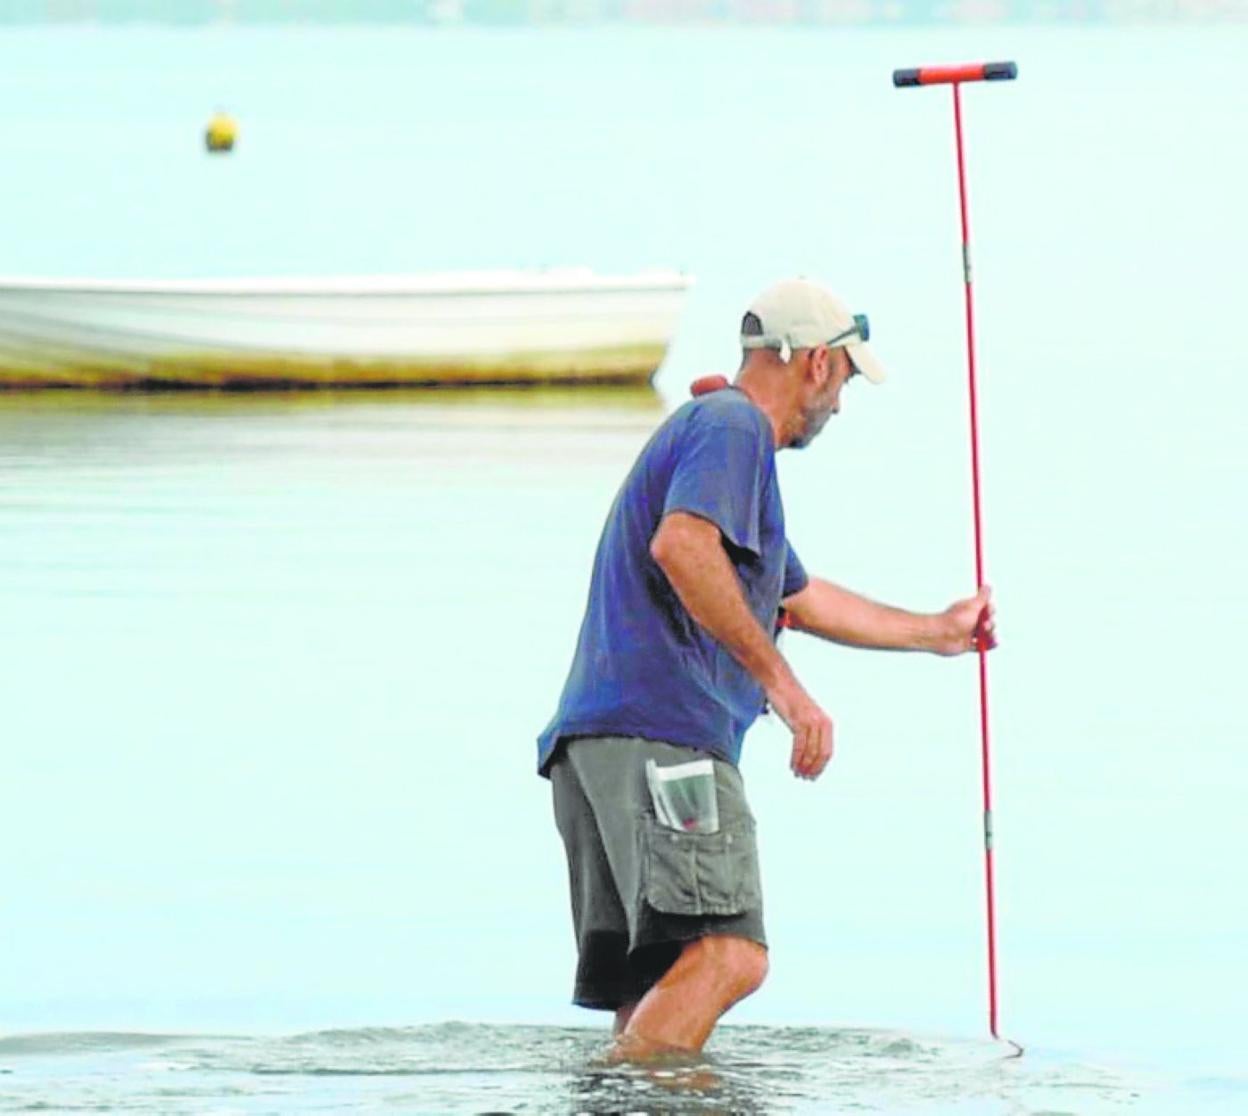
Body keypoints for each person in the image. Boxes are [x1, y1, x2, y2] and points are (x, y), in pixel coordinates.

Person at [535, 277, 996, 1061]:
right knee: (729, 954)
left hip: (601, 751)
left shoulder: (722, 444)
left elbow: (797, 596)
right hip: (664, 742)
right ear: (816, 363)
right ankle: (619, 1099)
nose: (841, 406)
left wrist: (937, 633)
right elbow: (682, 546)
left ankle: (632, 1098)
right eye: (845, 380)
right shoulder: (732, 426)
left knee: (657, 988)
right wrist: (785, 690)